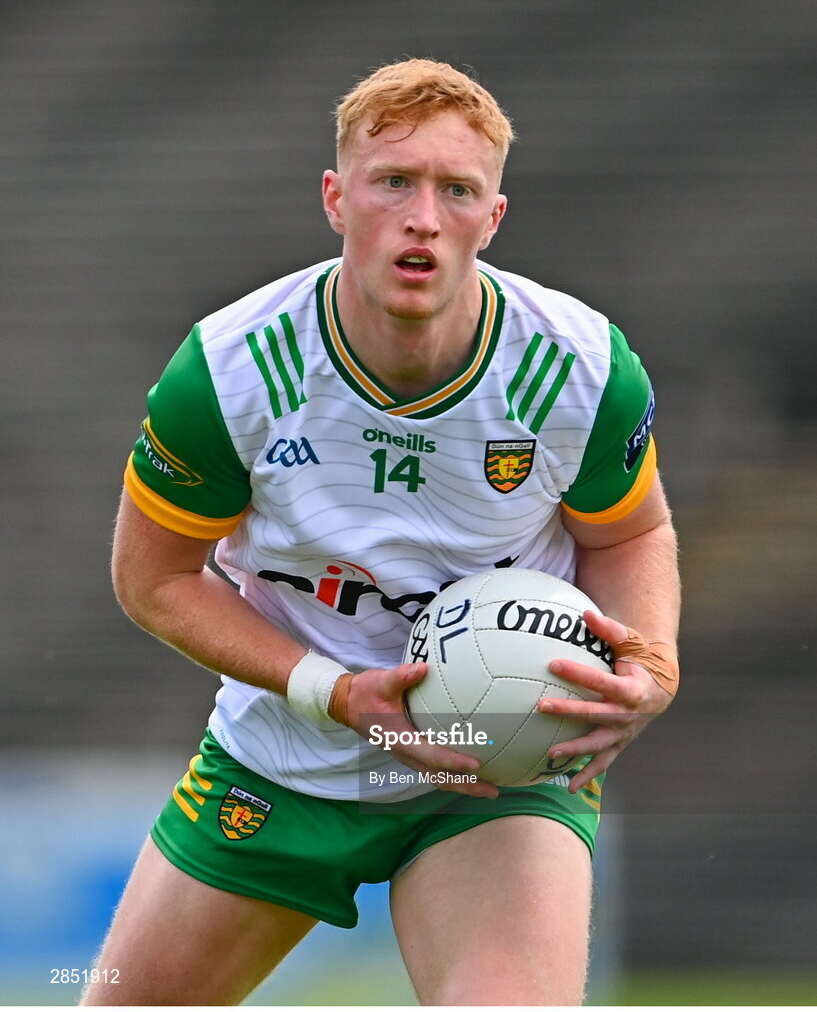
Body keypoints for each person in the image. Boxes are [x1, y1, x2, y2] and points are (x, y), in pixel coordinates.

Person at [82, 58, 680, 1007]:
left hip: (500, 767)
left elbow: (630, 532)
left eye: (457, 190)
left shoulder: (580, 368)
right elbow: (152, 578)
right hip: (284, 755)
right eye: (393, 180)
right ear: (335, 197)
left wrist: (650, 664)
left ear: (493, 218)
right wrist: (337, 690)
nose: (423, 216)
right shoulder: (232, 369)